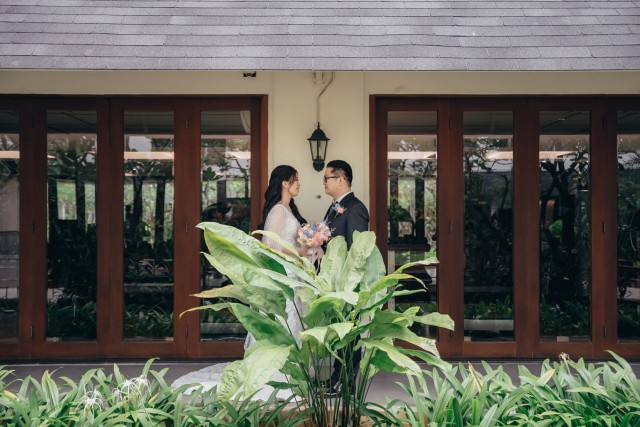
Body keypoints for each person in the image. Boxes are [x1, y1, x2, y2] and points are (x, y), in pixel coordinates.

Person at [321, 159, 369, 397]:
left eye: (327, 178)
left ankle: (345, 383)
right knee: (339, 332)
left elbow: (357, 249)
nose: (324, 182)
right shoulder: (335, 207)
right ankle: (335, 378)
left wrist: (350, 284)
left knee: (349, 333)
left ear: (340, 179)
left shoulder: (355, 208)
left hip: (348, 283)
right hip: (335, 282)